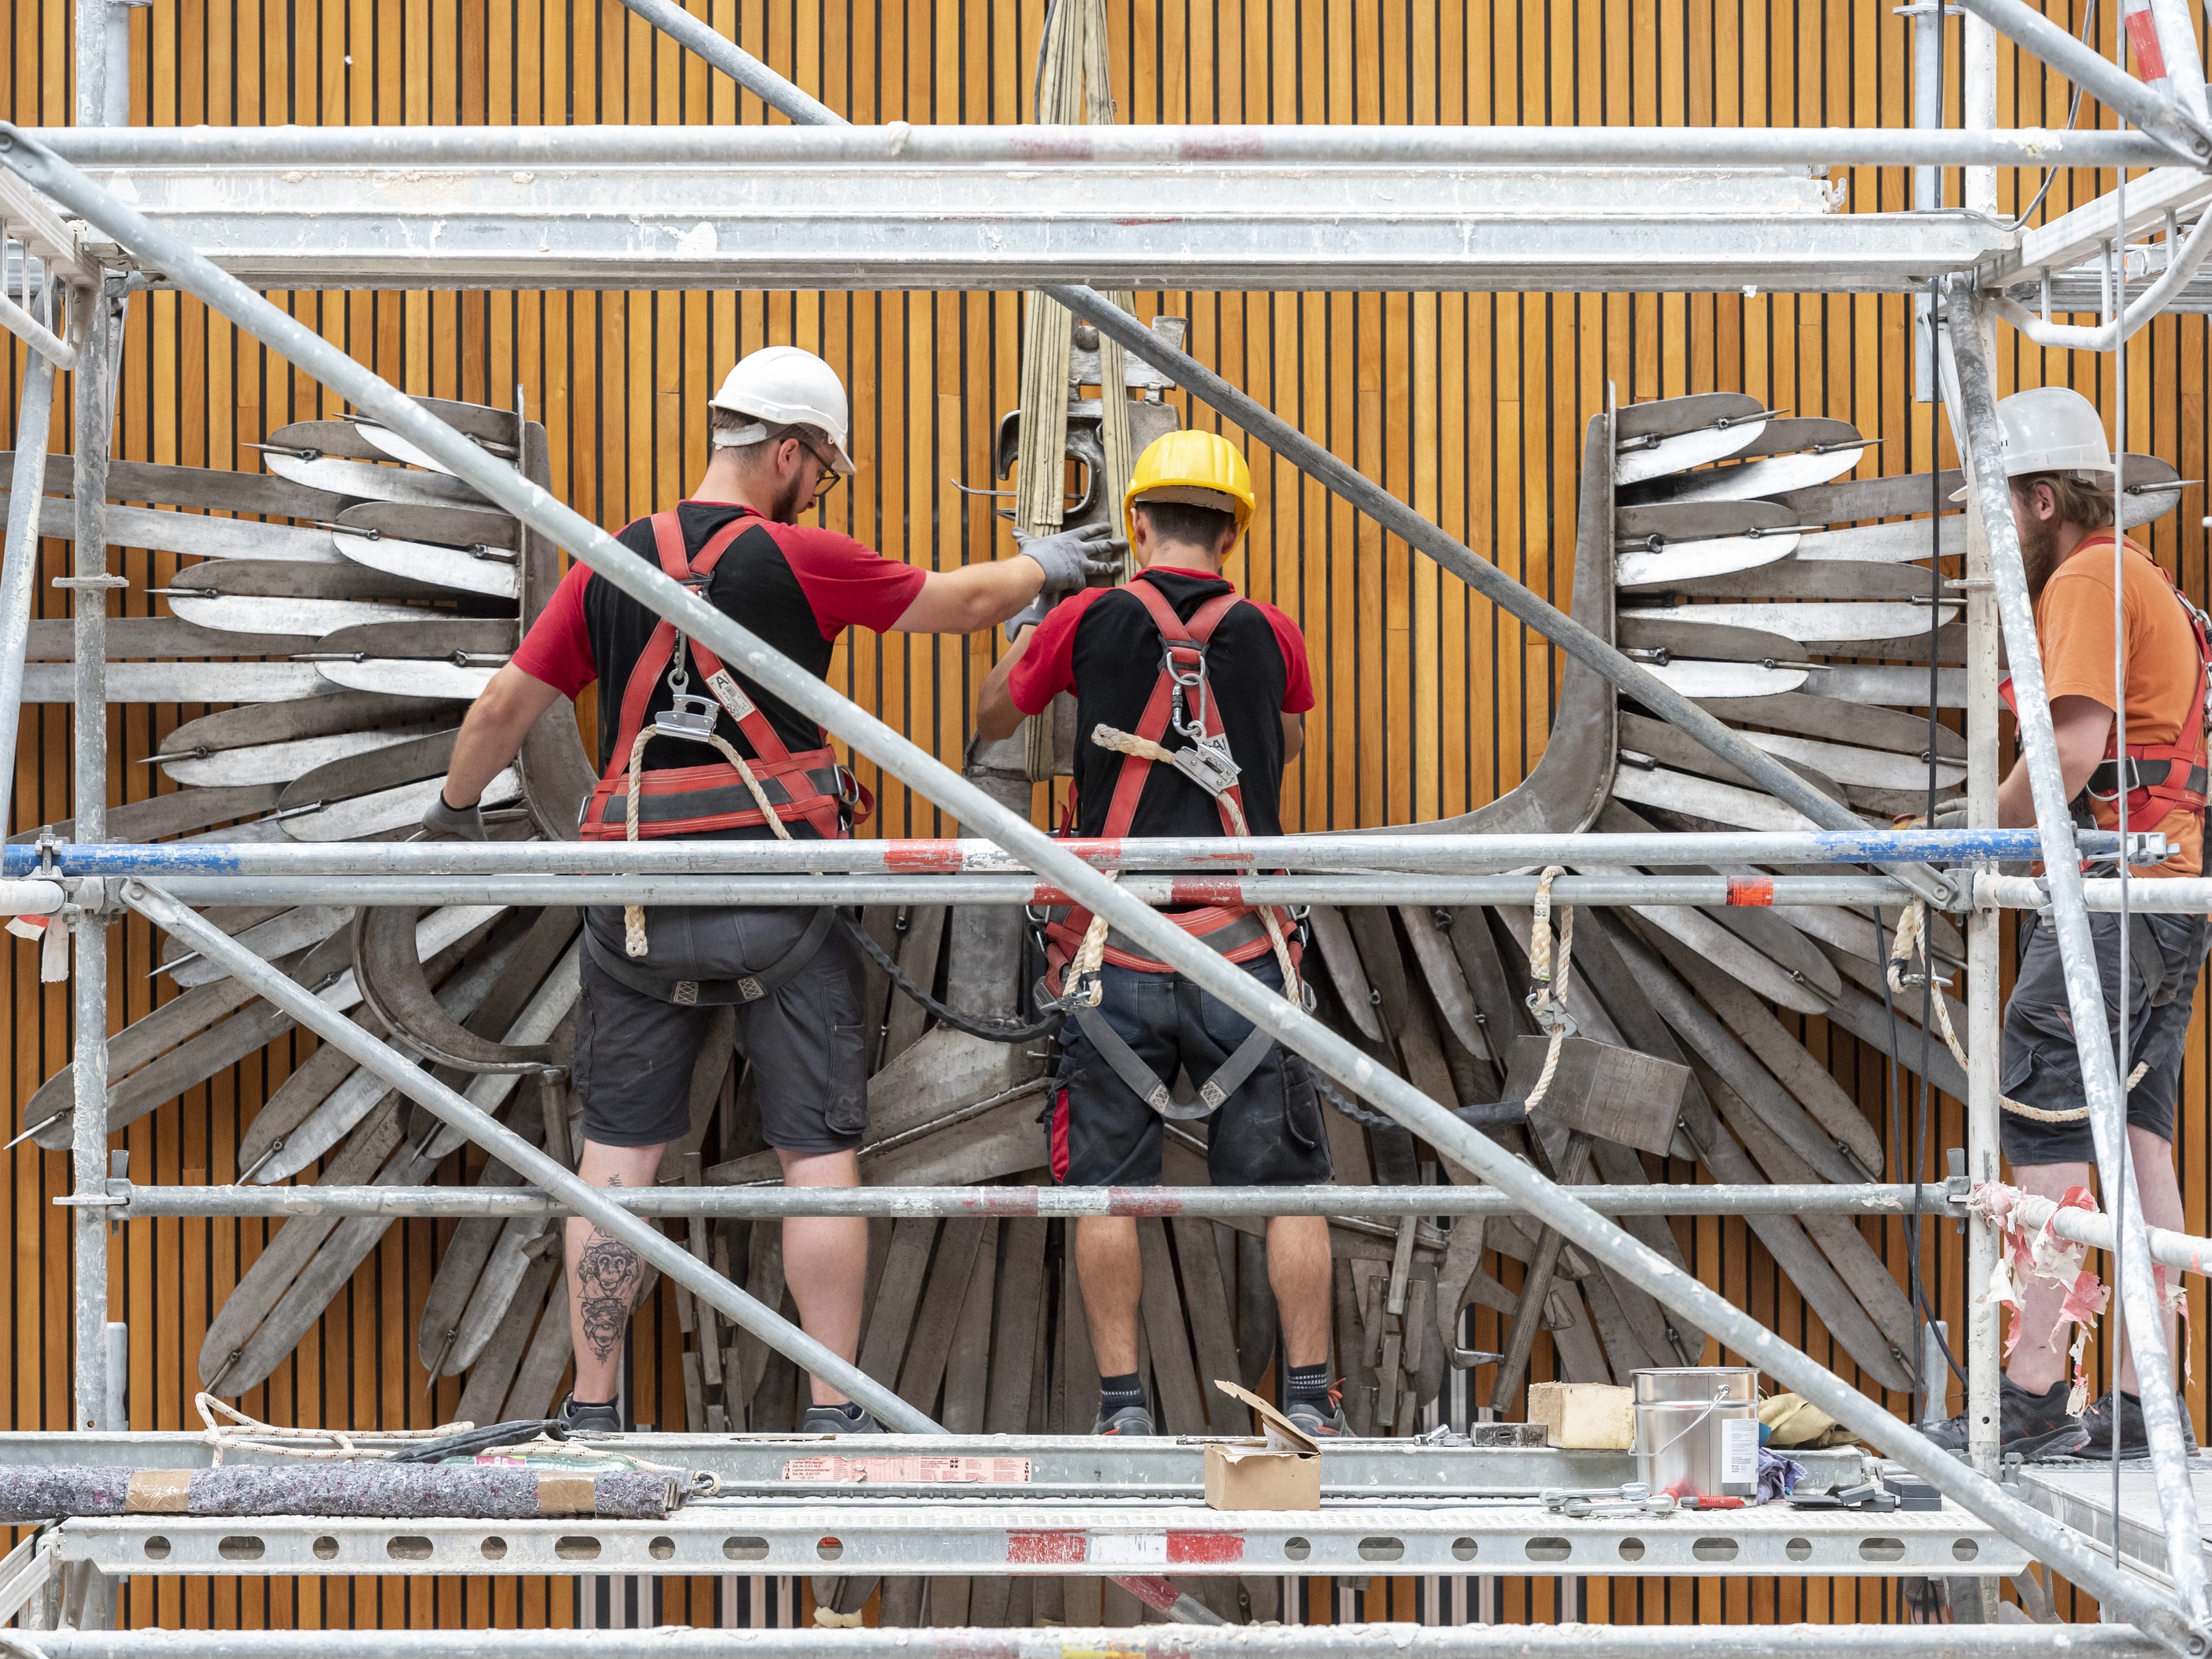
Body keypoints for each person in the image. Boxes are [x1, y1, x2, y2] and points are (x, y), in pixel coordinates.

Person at [425, 346, 1121, 1435]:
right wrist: (1047, 566)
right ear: (790, 452)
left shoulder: (608, 561)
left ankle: (596, 1407)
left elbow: (500, 713)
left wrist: (450, 821)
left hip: (640, 906)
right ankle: (831, 1408)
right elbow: (957, 603)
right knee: (816, 1158)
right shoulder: (799, 556)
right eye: (823, 471)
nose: (821, 490)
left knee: (616, 1160)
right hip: (779, 904)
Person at [976, 429, 1344, 1438]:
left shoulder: (1089, 617)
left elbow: (988, 720)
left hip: (1113, 955)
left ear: (1137, 523)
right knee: (1293, 1190)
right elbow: (1290, 743)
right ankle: (1310, 1402)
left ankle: (1122, 1411)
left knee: (1106, 1190)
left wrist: (1049, 632)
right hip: (1244, 953)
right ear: (1235, 531)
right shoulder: (1274, 631)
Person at [1924, 386, 2211, 1461]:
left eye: (2000, 513)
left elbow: (2071, 754)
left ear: (2041, 501)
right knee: (2137, 1144)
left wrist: (1961, 839)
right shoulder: (2152, 585)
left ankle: (2033, 1387)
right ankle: (2146, 1404)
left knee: (2039, 1114)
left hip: (2114, 898)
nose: (1995, 542)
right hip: (2167, 893)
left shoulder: (2088, 577)